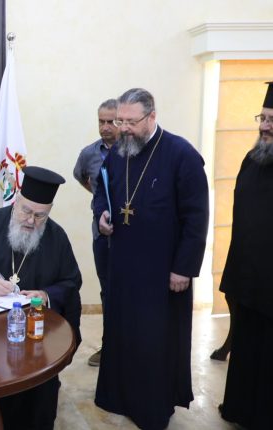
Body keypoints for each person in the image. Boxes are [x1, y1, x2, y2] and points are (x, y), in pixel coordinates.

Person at [93, 88, 209, 430]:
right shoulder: (118, 153)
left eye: (131, 122)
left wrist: (184, 268)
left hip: (162, 273)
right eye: (120, 121)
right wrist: (102, 215)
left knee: (154, 342)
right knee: (123, 335)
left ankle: (151, 408)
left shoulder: (181, 154)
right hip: (123, 267)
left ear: (152, 117)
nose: (124, 129)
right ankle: (118, 396)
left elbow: (196, 217)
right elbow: (102, 192)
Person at [0, 166, 82, 430]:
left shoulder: (57, 237)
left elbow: (71, 281)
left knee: (37, 392)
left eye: (40, 216)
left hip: (34, 336)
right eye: (26, 211)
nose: (31, 221)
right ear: (16, 200)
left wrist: (45, 295)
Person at [218, 81, 273, 429]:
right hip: (247, 278)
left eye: (272, 120)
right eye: (262, 118)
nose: (264, 126)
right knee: (247, 346)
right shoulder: (251, 161)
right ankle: (239, 409)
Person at [72, 98, 120, 367]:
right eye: (101, 121)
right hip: (102, 236)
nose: (105, 127)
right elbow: (82, 177)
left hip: (131, 235)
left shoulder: (133, 150)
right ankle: (109, 345)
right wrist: (99, 199)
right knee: (107, 291)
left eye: (111, 121)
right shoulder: (89, 154)